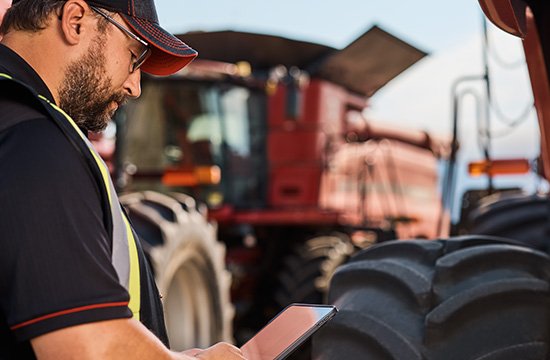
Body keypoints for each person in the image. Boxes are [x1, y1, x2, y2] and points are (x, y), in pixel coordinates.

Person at [0, 0, 248, 359]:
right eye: (134, 56)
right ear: (76, 21)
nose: (136, 87)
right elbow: (85, 347)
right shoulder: (34, 141)